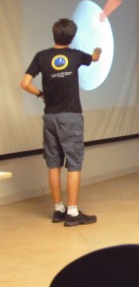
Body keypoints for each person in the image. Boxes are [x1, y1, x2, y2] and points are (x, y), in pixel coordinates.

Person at [20, 18, 101, 227]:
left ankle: (58, 210)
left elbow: (25, 83)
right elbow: (93, 58)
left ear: (53, 34)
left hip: (50, 117)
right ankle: (73, 213)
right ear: (72, 37)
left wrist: (41, 94)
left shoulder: (41, 56)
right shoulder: (75, 56)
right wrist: (98, 52)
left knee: (53, 164)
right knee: (74, 164)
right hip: (70, 117)